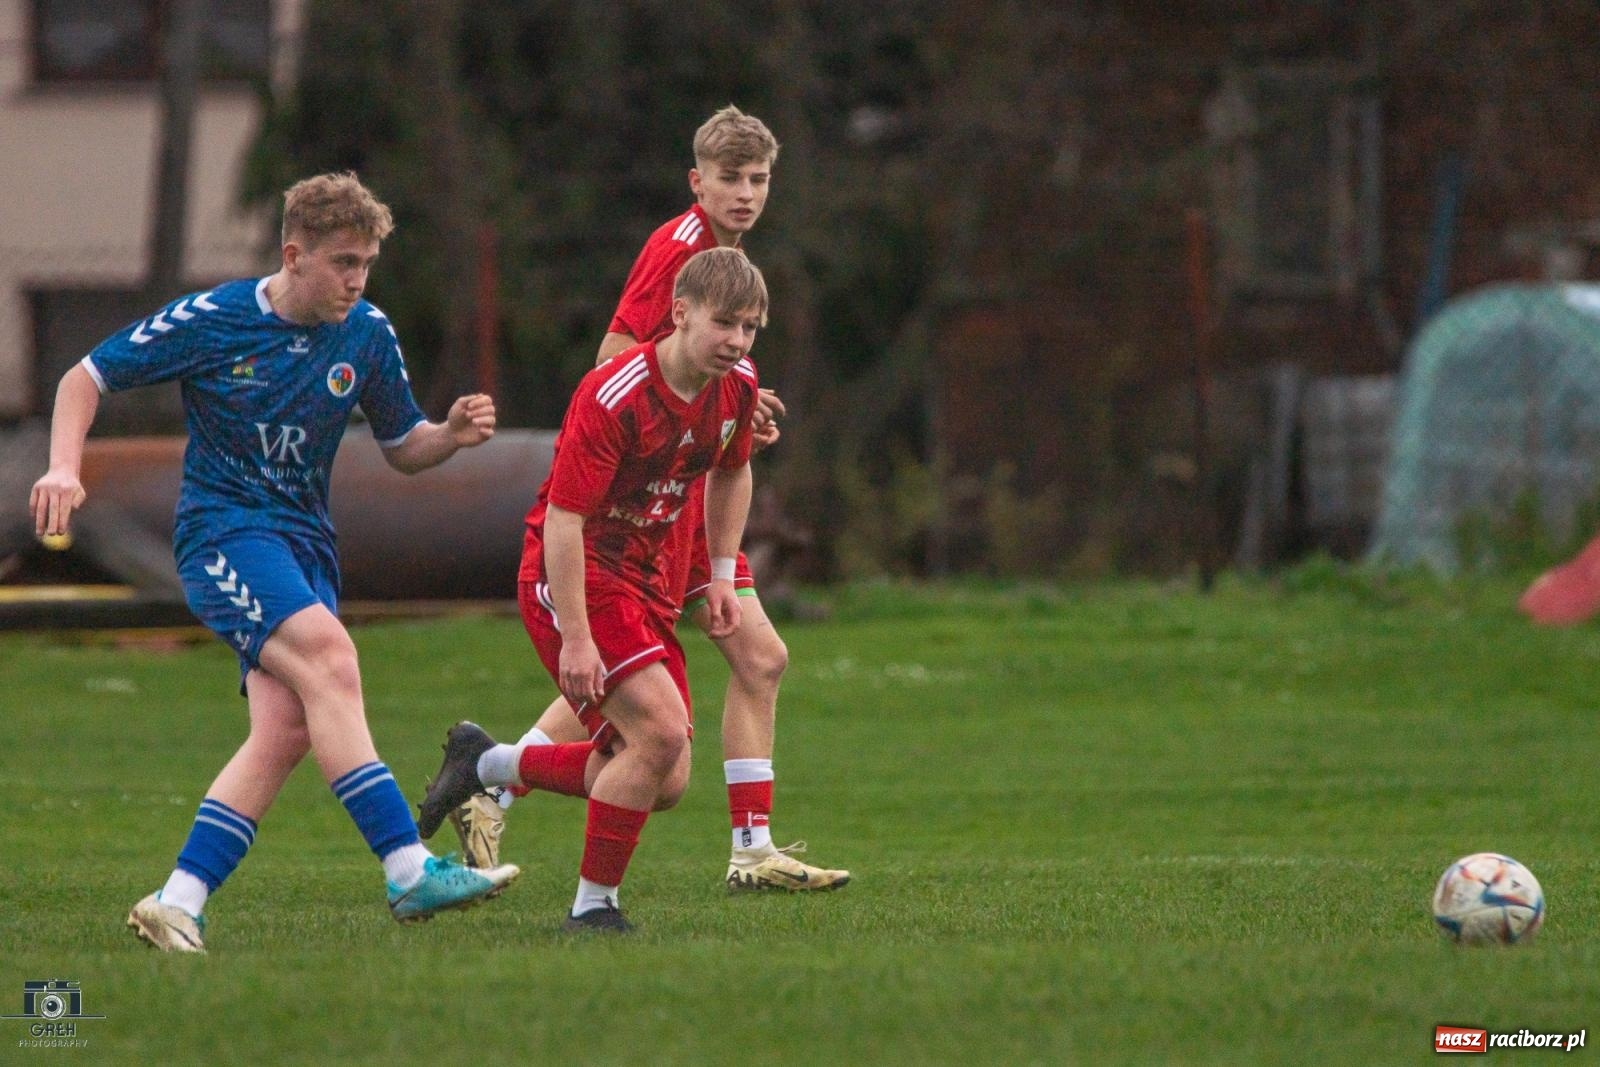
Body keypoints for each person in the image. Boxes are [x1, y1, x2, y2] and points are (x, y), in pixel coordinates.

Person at [28, 172, 519, 953]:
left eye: (367, 264)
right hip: (224, 534)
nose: (356, 280)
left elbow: (402, 449)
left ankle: (176, 900)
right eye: (343, 263)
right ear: (294, 255)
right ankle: (406, 867)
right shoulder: (215, 320)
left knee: (287, 727)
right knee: (331, 657)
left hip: (304, 544)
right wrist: (63, 467)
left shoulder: (366, 332)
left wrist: (449, 435)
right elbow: (84, 378)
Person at [445, 105, 848, 893]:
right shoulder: (682, 248)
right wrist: (700, 407)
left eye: (758, 179)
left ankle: (500, 778)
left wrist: (734, 403)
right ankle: (509, 784)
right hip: (654, 500)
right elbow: (616, 356)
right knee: (700, 675)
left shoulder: (727, 258)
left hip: (683, 484)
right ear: (697, 182)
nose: (745, 193)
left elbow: (706, 372)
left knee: (745, 659)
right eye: (730, 178)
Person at [418, 248, 767, 931]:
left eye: (751, 327)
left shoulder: (738, 386)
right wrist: (575, 636)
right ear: (679, 313)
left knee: (663, 780)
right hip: (574, 575)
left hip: (647, 583)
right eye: (725, 322)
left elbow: (732, 470)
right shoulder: (615, 394)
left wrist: (721, 573)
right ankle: (593, 907)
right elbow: (564, 518)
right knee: (659, 734)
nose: (737, 340)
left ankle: (487, 763)